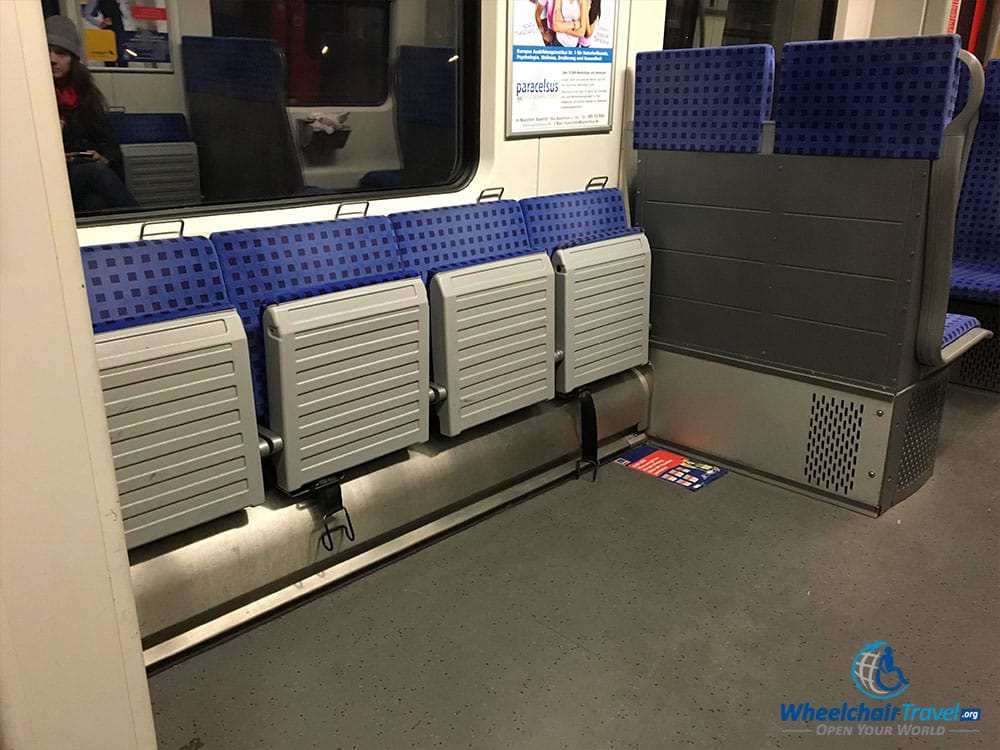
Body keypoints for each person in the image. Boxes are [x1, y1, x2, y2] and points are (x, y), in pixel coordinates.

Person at [46, 15, 137, 213]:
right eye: (47, 52)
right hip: (49, 178)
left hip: (85, 175)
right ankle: (143, 225)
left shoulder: (85, 94)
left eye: (61, 54)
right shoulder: (32, 98)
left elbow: (108, 143)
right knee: (95, 175)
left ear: (73, 60)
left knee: (95, 202)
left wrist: (102, 157)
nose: (52, 59)